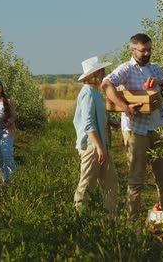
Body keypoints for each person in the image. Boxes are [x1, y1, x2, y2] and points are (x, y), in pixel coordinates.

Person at [101, 33, 163, 222]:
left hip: (157, 128)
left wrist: (161, 83)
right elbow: (106, 84)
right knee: (136, 180)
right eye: (143, 50)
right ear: (133, 50)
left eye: (149, 50)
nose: (147, 53)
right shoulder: (126, 69)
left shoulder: (155, 69)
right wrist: (124, 107)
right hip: (136, 130)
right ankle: (132, 224)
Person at [73, 56, 122, 217]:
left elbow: (98, 117)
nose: (104, 74)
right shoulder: (87, 94)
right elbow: (88, 124)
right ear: (93, 75)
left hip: (102, 146)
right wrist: (99, 148)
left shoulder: (96, 93)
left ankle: (110, 219)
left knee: (111, 183)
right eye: (102, 71)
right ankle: (79, 217)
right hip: (92, 147)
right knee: (87, 183)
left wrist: (110, 121)